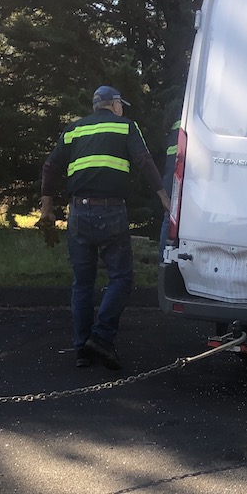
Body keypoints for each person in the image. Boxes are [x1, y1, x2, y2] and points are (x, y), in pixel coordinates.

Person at [39, 86, 171, 369]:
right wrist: (163, 197)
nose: (123, 109)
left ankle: (82, 349)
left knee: (82, 283)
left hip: (78, 212)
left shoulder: (73, 129)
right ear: (113, 105)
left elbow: (50, 166)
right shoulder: (126, 127)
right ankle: (100, 337)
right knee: (121, 278)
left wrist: (46, 211)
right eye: (121, 104)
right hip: (110, 210)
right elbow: (144, 161)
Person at [158, 98, 182, 257]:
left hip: (170, 176)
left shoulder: (176, 123)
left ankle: (163, 261)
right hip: (181, 177)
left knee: (169, 218)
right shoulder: (189, 125)